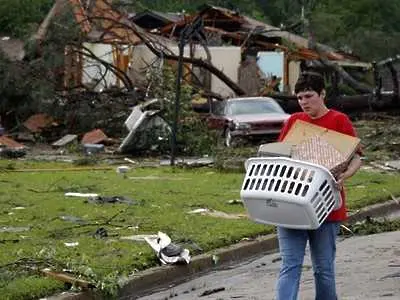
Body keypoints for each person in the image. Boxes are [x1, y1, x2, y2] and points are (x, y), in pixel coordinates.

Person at [275, 71, 362, 300]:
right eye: (300, 97)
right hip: (292, 202)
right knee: (290, 265)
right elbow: (280, 155)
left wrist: (345, 177)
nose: (304, 102)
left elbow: (356, 158)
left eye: (308, 96)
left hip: (325, 205)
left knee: (323, 269)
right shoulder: (294, 121)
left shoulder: (338, 120)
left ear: (322, 94)